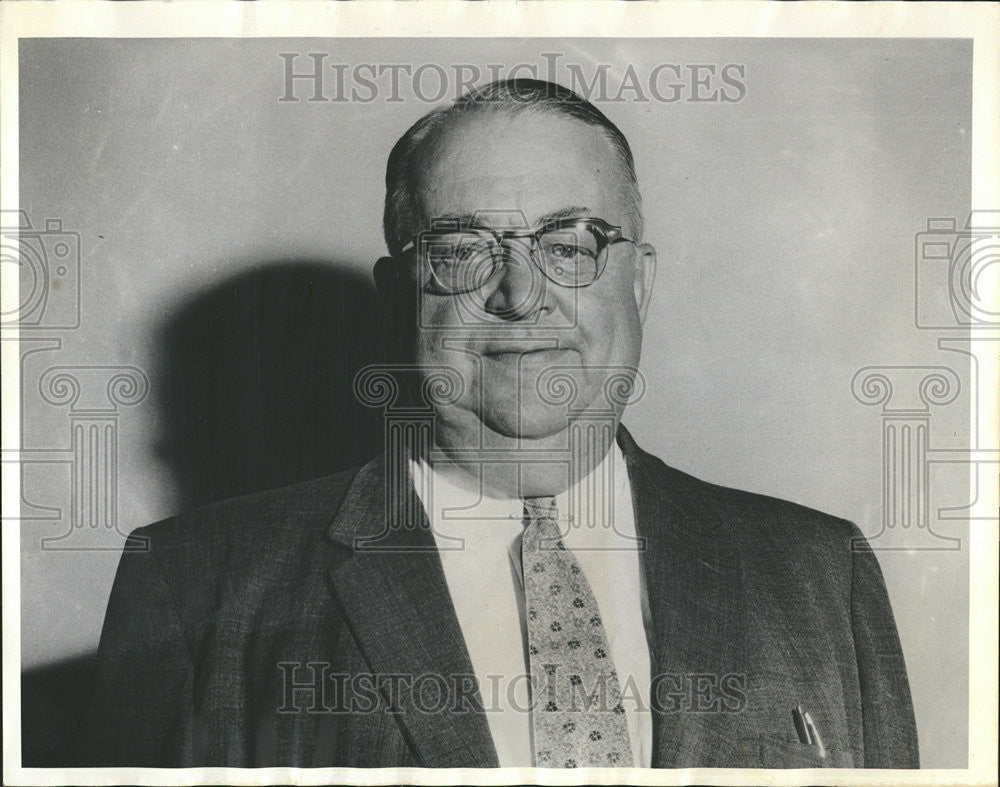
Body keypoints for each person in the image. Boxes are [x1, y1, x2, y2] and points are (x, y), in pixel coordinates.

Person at [93, 79, 919, 769]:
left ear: (639, 284)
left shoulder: (821, 574)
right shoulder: (195, 588)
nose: (520, 296)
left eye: (571, 243)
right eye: (461, 247)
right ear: (397, 298)